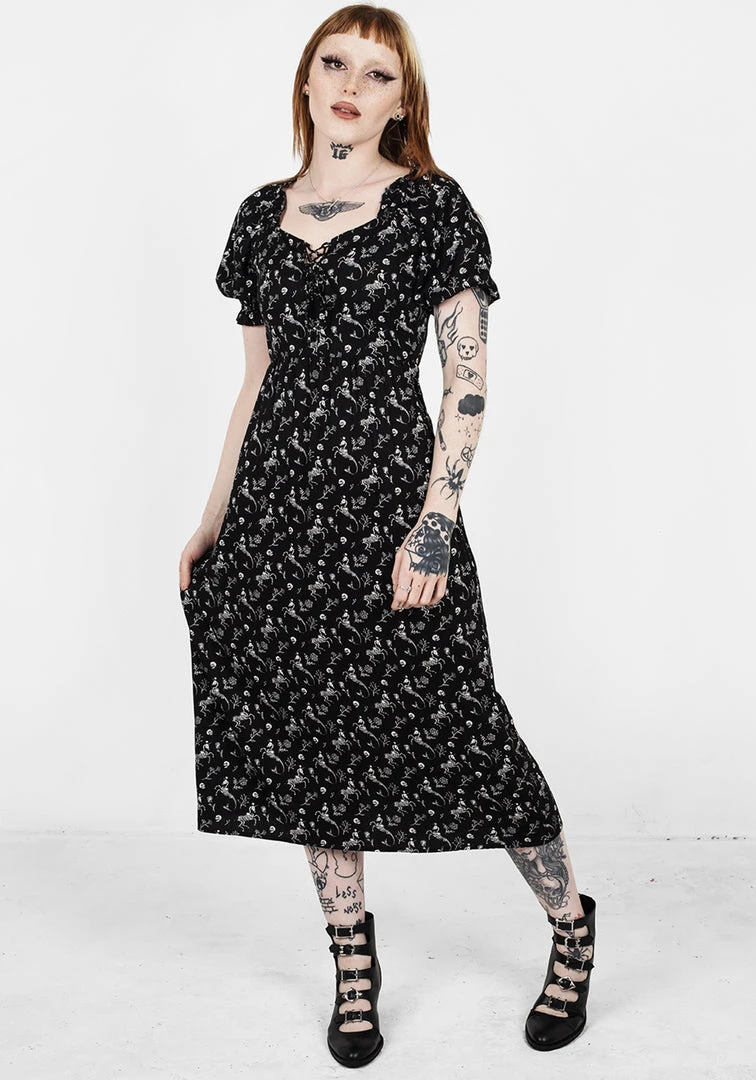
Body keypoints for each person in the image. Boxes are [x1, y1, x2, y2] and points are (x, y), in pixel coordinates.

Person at [178, 3, 596, 1067]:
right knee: (313, 741)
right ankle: (352, 966)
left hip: (390, 511)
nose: (351, 87)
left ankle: (571, 924)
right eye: (335, 64)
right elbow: (255, 386)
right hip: (278, 518)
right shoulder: (258, 216)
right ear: (306, 78)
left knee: (470, 732)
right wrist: (213, 518)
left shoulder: (431, 208)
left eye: (377, 74)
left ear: (403, 102)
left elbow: (466, 382)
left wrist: (435, 524)